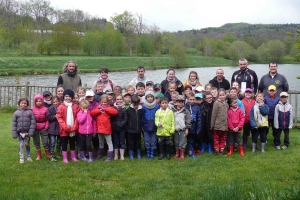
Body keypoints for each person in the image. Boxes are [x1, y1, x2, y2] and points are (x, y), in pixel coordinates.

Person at [90, 94, 118, 162]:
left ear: (107, 102)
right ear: (100, 102)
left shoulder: (109, 108)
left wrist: (105, 109)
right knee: (100, 142)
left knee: (109, 142)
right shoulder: (98, 108)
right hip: (99, 129)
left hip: (106, 129)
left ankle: (110, 157)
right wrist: (99, 111)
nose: (103, 103)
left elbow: (115, 112)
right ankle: (99, 154)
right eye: (102, 102)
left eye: (105, 102)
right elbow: (92, 113)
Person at [56, 89, 80, 163]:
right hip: (64, 130)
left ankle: (73, 157)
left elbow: (77, 117)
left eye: (70, 96)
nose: (68, 98)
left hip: (73, 129)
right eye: (66, 96)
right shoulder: (60, 107)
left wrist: (74, 127)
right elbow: (59, 117)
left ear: (72, 97)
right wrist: (65, 127)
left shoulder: (76, 106)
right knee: (64, 144)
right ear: (64, 97)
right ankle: (65, 158)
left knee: (72, 143)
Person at [12, 97, 36, 163]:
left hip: (27, 133)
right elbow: (14, 124)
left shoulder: (30, 112)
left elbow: (33, 122)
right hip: (20, 133)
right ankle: (21, 157)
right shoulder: (16, 113)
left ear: (27, 104)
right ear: (19, 104)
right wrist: (14, 133)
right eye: (22, 103)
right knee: (21, 145)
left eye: (25, 103)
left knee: (27, 144)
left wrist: (31, 132)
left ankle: (28, 156)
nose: (23, 104)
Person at [171, 95, 191, 160]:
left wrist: (187, 129)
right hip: (175, 129)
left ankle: (182, 154)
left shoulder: (186, 111)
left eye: (182, 102)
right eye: (179, 102)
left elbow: (188, 120)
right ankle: (177, 153)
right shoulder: (172, 110)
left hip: (183, 129)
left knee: (183, 142)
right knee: (176, 142)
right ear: (176, 102)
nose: (181, 103)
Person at [142, 90, 160, 159]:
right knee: (146, 141)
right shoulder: (143, 106)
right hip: (146, 126)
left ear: (153, 98)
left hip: (154, 126)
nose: (150, 98)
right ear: (146, 98)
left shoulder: (157, 106)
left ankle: (152, 152)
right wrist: (142, 126)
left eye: (151, 97)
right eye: (148, 97)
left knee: (154, 140)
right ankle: (148, 152)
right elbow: (142, 116)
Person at [32, 94, 50, 160]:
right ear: (35, 102)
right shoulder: (32, 109)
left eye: (40, 101)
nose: (38, 102)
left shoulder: (46, 109)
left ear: (42, 101)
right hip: (35, 128)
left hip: (43, 127)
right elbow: (31, 119)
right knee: (36, 142)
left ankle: (47, 154)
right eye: (37, 101)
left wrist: (46, 127)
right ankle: (39, 155)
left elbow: (47, 119)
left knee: (45, 142)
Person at [211, 89, 228, 155]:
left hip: (224, 124)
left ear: (225, 95)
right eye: (220, 95)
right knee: (216, 137)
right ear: (218, 95)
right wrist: (212, 125)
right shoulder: (216, 103)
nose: (222, 96)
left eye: (223, 95)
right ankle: (216, 149)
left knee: (223, 137)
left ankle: (222, 149)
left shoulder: (226, 104)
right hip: (217, 123)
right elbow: (214, 115)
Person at [111, 94, 128, 160]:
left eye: (120, 99)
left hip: (122, 128)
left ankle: (122, 155)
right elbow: (112, 119)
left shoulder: (124, 109)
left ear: (122, 100)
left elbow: (125, 118)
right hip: (115, 128)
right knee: (116, 141)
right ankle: (116, 155)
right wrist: (114, 124)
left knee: (122, 142)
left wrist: (121, 124)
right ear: (115, 100)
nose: (119, 100)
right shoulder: (113, 108)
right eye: (118, 99)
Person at [184, 93, 201, 158]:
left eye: (193, 99)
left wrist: (198, 128)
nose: (192, 101)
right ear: (187, 99)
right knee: (186, 140)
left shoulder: (197, 107)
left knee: (192, 140)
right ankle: (187, 152)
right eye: (190, 99)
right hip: (186, 127)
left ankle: (190, 152)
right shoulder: (185, 107)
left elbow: (199, 118)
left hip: (194, 127)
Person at [126, 95, 143, 160]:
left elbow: (142, 118)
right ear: (132, 103)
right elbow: (127, 119)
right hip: (130, 130)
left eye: (137, 104)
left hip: (138, 129)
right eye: (134, 104)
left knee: (138, 142)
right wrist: (128, 127)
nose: (135, 105)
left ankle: (139, 154)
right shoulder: (129, 110)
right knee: (131, 143)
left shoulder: (141, 109)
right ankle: (131, 154)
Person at [46, 96, 61, 162]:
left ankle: (58, 153)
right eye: (54, 102)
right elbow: (48, 117)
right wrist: (55, 116)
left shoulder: (61, 108)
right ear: (52, 103)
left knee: (59, 142)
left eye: (57, 101)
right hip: (52, 128)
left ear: (59, 101)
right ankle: (51, 154)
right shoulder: (50, 109)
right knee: (52, 142)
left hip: (60, 128)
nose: (55, 103)